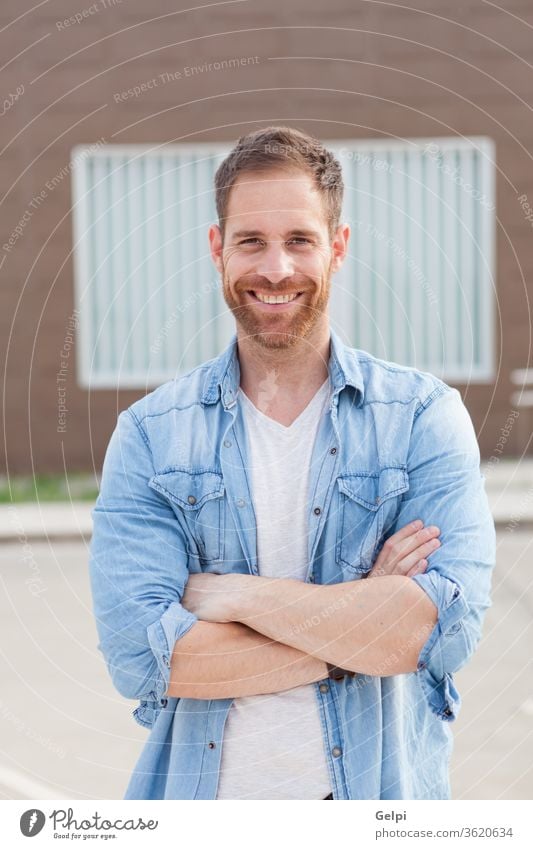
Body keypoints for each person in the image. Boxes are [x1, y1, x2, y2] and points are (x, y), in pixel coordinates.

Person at [88, 126, 496, 800]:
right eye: (251, 241)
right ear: (217, 249)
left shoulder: (421, 417)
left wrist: (233, 595)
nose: (275, 268)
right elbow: (141, 657)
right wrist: (359, 623)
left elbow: (441, 634)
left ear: (337, 247)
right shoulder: (152, 437)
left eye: (299, 240)